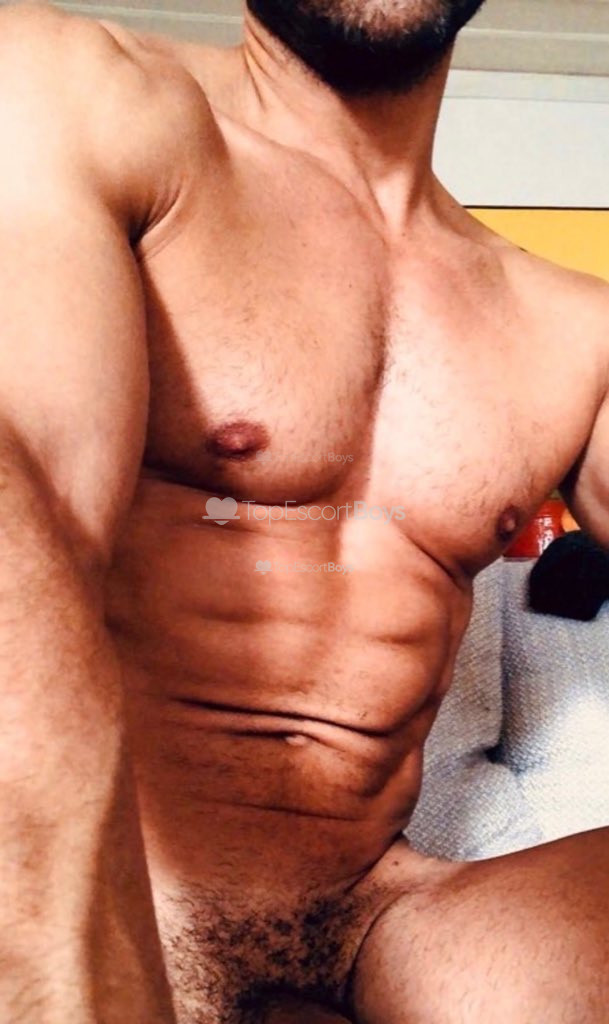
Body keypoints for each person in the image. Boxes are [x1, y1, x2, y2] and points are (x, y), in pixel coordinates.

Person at [1, 1, 609, 1021]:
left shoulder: (570, 329)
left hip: (375, 917)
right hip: (91, 895)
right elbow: (34, 496)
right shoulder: (78, 98)